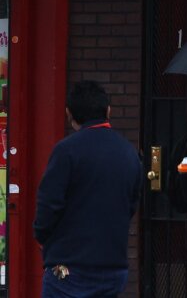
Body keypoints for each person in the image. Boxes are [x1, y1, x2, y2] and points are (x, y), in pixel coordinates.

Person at [34, 80, 143, 298]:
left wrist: (42, 236)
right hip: (113, 264)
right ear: (108, 111)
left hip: (68, 265)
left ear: (69, 113)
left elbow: (49, 205)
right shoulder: (129, 153)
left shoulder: (66, 151)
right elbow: (131, 203)